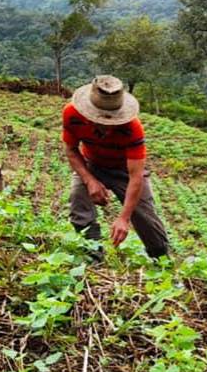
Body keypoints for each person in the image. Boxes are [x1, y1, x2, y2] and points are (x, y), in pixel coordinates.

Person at [62, 75, 170, 261]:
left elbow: (136, 177)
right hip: (92, 164)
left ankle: (161, 260)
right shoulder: (72, 114)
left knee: (146, 220)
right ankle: (92, 254)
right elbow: (71, 150)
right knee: (78, 201)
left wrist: (124, 218)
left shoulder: (132, 128)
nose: (105, 125)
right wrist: (90, 180)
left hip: (124, 170)